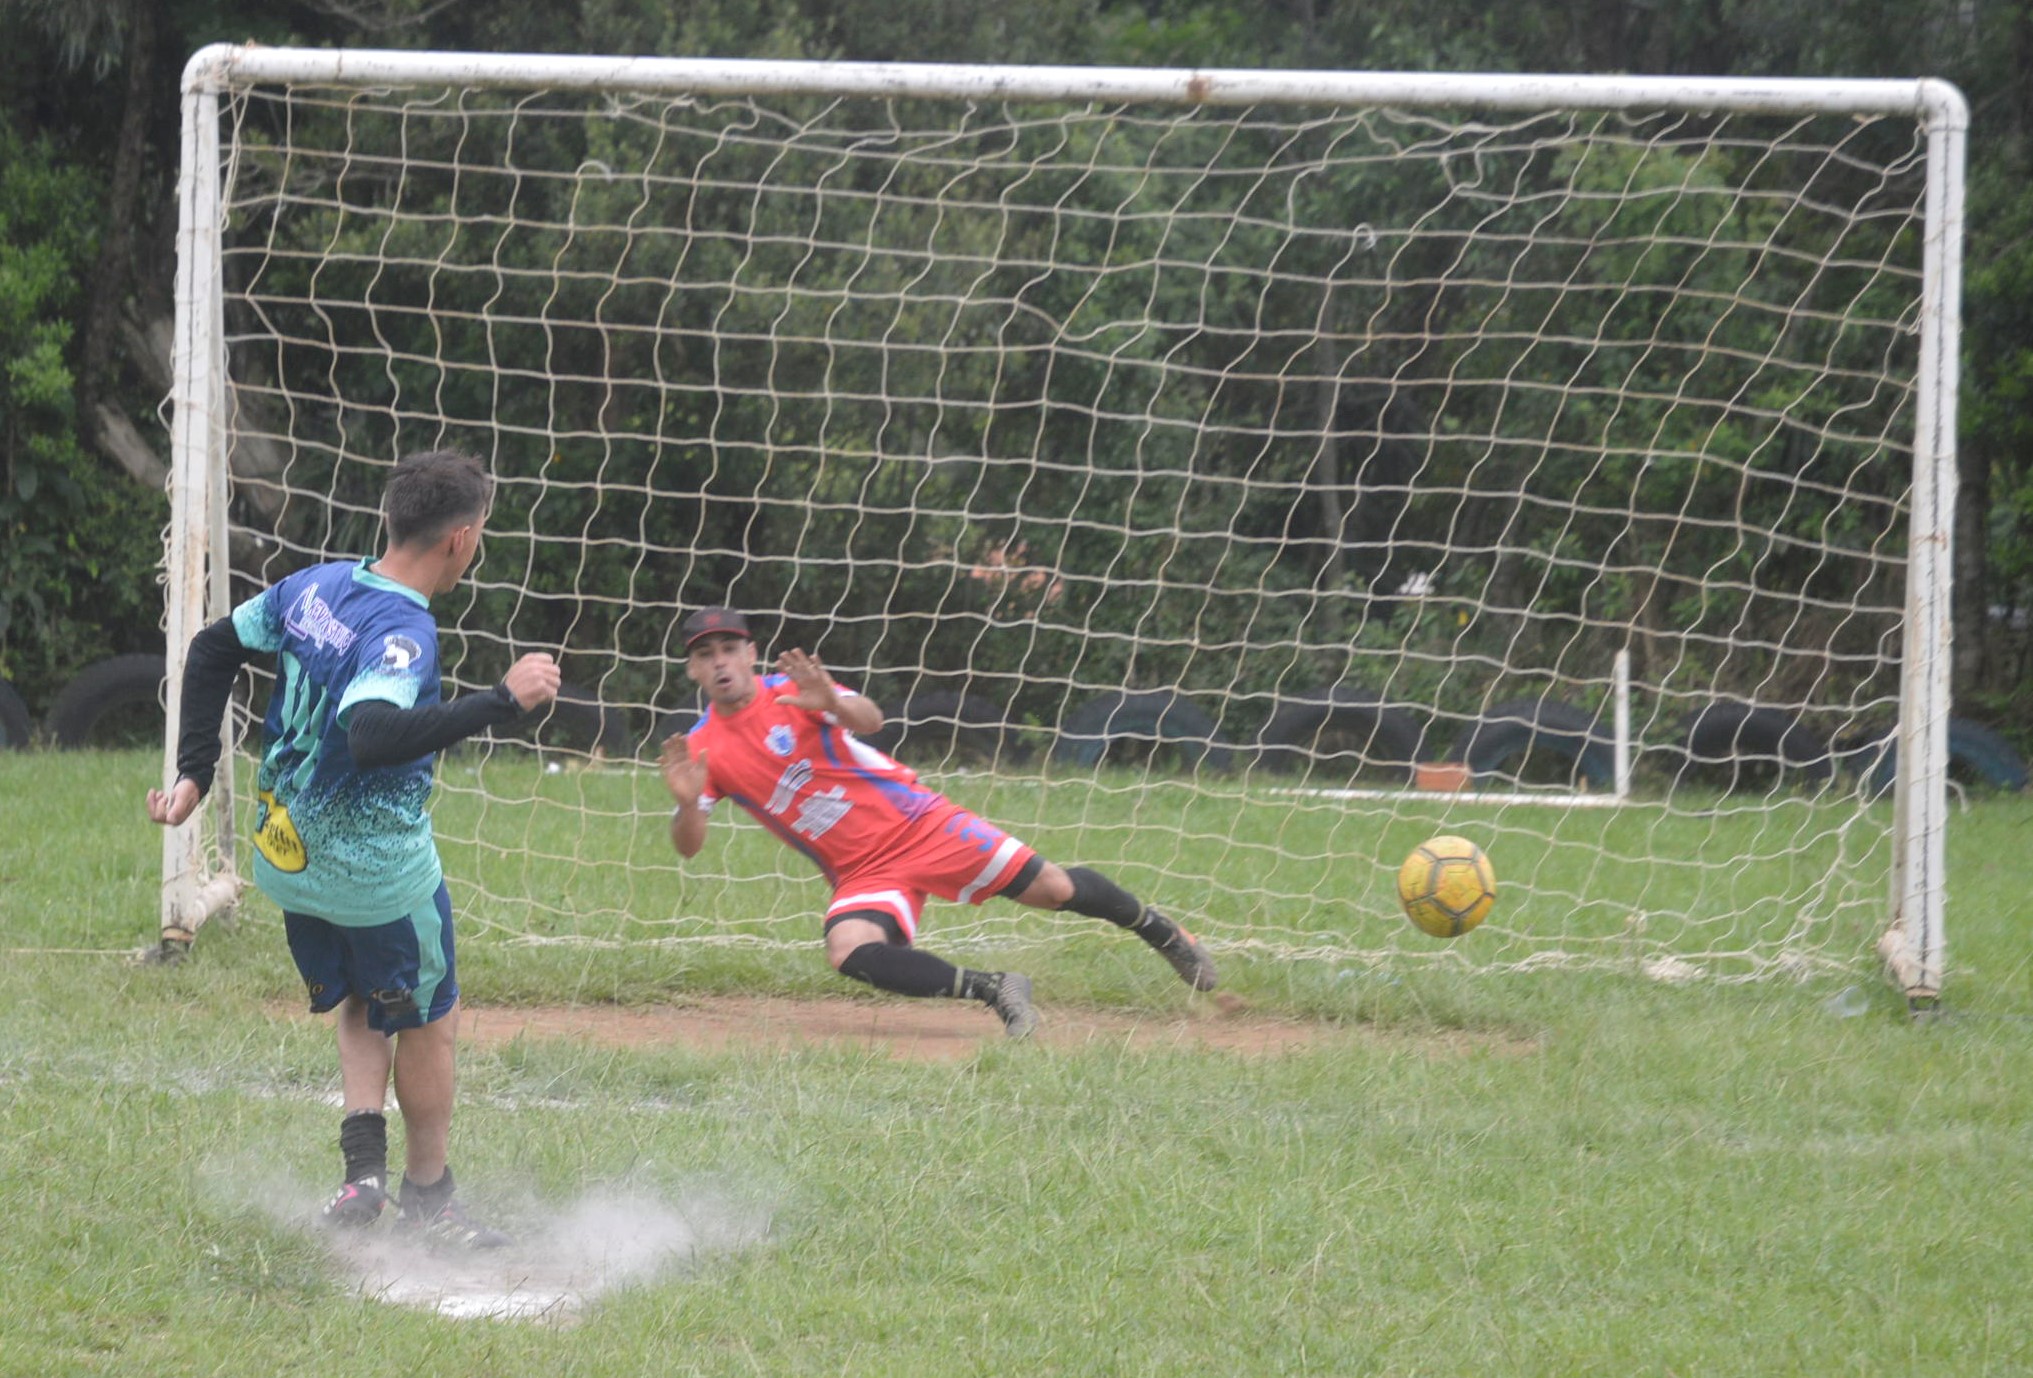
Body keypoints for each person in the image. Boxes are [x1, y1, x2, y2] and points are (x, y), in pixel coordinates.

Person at [145, 449, 560, 1247]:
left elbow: (209, 648)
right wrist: (501, 701)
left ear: (391, 519)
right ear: (461, 540)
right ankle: (432, 1199)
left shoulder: (318, 584)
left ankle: (360, 1178)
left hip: (288, 862)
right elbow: (372, 733)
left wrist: (196, 772)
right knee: (430, 1019)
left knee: (370, 998)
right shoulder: (403, 628)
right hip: (376, 879)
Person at [658, 607, 1217, 1038]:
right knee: (848, 949)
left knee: (1055, 889)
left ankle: (1164, 933)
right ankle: (996, 990)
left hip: (920, 823)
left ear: (751, 652)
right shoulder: (703, 748)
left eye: (729, 648)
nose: (720, 662)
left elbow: (871, 720)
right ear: (692, 668)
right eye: (705, 654)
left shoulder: (794, 691)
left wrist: (830, 699)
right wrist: (687, 805)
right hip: (861, 870)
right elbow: (688, 848)